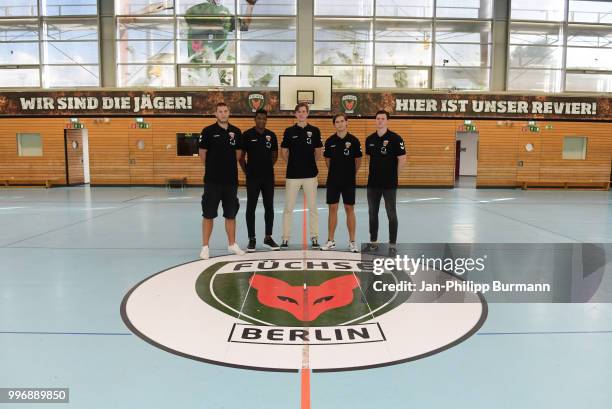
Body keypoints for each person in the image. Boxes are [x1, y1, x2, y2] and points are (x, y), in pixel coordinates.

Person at [198, 102, 245, 259]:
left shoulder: (236, 132)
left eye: (226, 111)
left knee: (231, 214)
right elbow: (203, 153)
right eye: (220, 111)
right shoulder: (208, 131)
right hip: (212, 181)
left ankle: (232, 244)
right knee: (208, 214)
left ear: (229, 112)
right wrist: (213, 167)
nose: (223, 114)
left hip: (231, 181)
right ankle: (205, 247)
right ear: (215, 114)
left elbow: (238, 154)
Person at [280, 102, 323, 249]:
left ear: (307, 113)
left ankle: (314, 237)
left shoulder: (315, 130)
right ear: (295, 114)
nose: (301, 114)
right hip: (292, 175)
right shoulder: (289, 131)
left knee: (313, 208)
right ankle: (285, 238)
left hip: (310, 175)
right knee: (288, 208)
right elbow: (284, 152)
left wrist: (309, 163)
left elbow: (318, 152)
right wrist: (293, 163)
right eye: (299, 111)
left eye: (304, 111)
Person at [238, 109, 280, 252]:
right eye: (259, 118)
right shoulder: (247, 135)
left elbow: (275, 155)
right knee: (251, 207)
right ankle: (252, 239)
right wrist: (247, 171)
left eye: (264, 118)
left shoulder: (271, 135)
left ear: (266, 120)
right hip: (253, 178)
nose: (262, 120)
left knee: (269, 207)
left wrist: (267, 167)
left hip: (268, 177)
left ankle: (268, 237)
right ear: (255, 119)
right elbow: (241, 157)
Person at [365, 110, 407, 249]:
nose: (380, 121)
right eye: (378, 118)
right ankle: (373, 241)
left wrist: (394, 176)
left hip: (389, 184)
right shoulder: (369, 139)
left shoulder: (396, 138)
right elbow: (369, 158)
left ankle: (392, 243)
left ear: (387, 121)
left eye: (383, 118)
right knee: (372, 213)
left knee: (391, 214)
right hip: (373, 184)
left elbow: (402, 159)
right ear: (375, 121)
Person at [321, 113, 362, 252]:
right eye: (337, 122)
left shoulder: (354, 141)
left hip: (349, 181)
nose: (339, 124)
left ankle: (352, 241)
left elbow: (358, 161)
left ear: (346, 122)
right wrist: (336, 172)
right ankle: (330, 240)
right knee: (332, 209)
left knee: (349, 209)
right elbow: (328, 161)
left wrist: (350, 173)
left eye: (342, 121)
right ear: (334, 125)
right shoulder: (329, 141)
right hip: (333, 180)